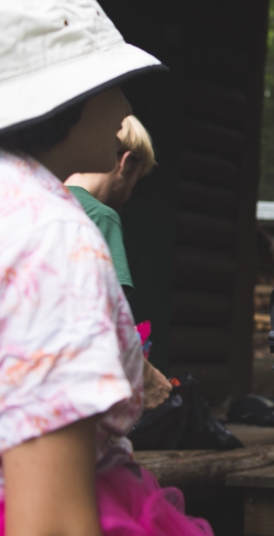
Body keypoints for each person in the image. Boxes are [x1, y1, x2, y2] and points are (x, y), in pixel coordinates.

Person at [0, 0, 212, 535]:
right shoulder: (49, 236)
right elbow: (49, 521)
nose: (124, 108)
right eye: (110, 84)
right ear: (64, 98)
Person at [65, 115, 172, 412]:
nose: (130, 193)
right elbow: (108, 317)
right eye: (135, 181)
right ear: (125, 163)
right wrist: (145, 375)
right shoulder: (102, 216)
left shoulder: (35, 200)